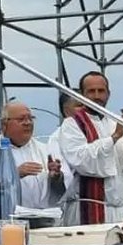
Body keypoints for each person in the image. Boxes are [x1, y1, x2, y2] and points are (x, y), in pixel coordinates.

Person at [57, 71, 123, 224]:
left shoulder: (114, 122)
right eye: (91, 91)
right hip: (88, 209)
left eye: (101, 91)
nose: (96, 96)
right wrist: (114, 137)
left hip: (120, 210)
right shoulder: (72, 124)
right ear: (82, 94)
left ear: (108, 94)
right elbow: (81, 160)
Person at [0, 101, 69, 211]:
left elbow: (62, 191)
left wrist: (56, 177)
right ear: (4, 124)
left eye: (31, 118)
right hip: (6, 218)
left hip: (43, 217)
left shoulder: (45, 149)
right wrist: (14, 174)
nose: (28, 123)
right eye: (21, 119)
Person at [47, 93, 82, 224]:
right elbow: (64, 178)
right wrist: (58, 175)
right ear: (66, 111)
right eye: (79, 106)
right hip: (77, 207)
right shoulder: (57, 138)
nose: (85, 109)